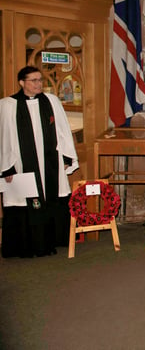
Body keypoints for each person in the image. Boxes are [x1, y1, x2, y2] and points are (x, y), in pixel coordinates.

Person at [0, 66, 79, 258]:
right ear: (22, 82)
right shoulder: (7, 105)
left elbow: (62, 129)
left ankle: (52, 240)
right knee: (24, 202)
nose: (38, 84)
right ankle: (25, 246)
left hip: (50, 162)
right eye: (33, 80)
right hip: (20, 164)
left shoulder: (51, 101)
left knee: (51, 197)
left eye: (40, 80)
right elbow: (3, 137)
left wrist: (67, 156)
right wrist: (6, 166)